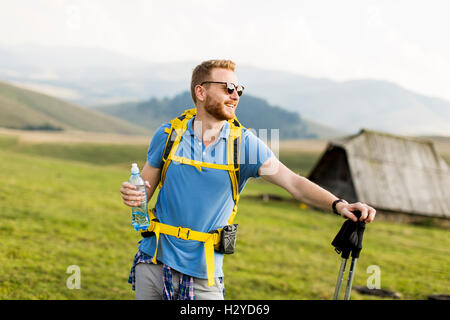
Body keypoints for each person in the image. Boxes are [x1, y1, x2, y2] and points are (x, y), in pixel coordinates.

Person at [120, 59, 376, 300]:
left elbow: (294, 183)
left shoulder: (244, 145)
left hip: (203, 275)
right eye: (228, 88)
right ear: (200, 92)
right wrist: (134, 195)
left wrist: (339, 205)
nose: (235, 95)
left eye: (239, 90)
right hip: (152, 263)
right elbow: (143, 191)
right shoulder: (168, 135)